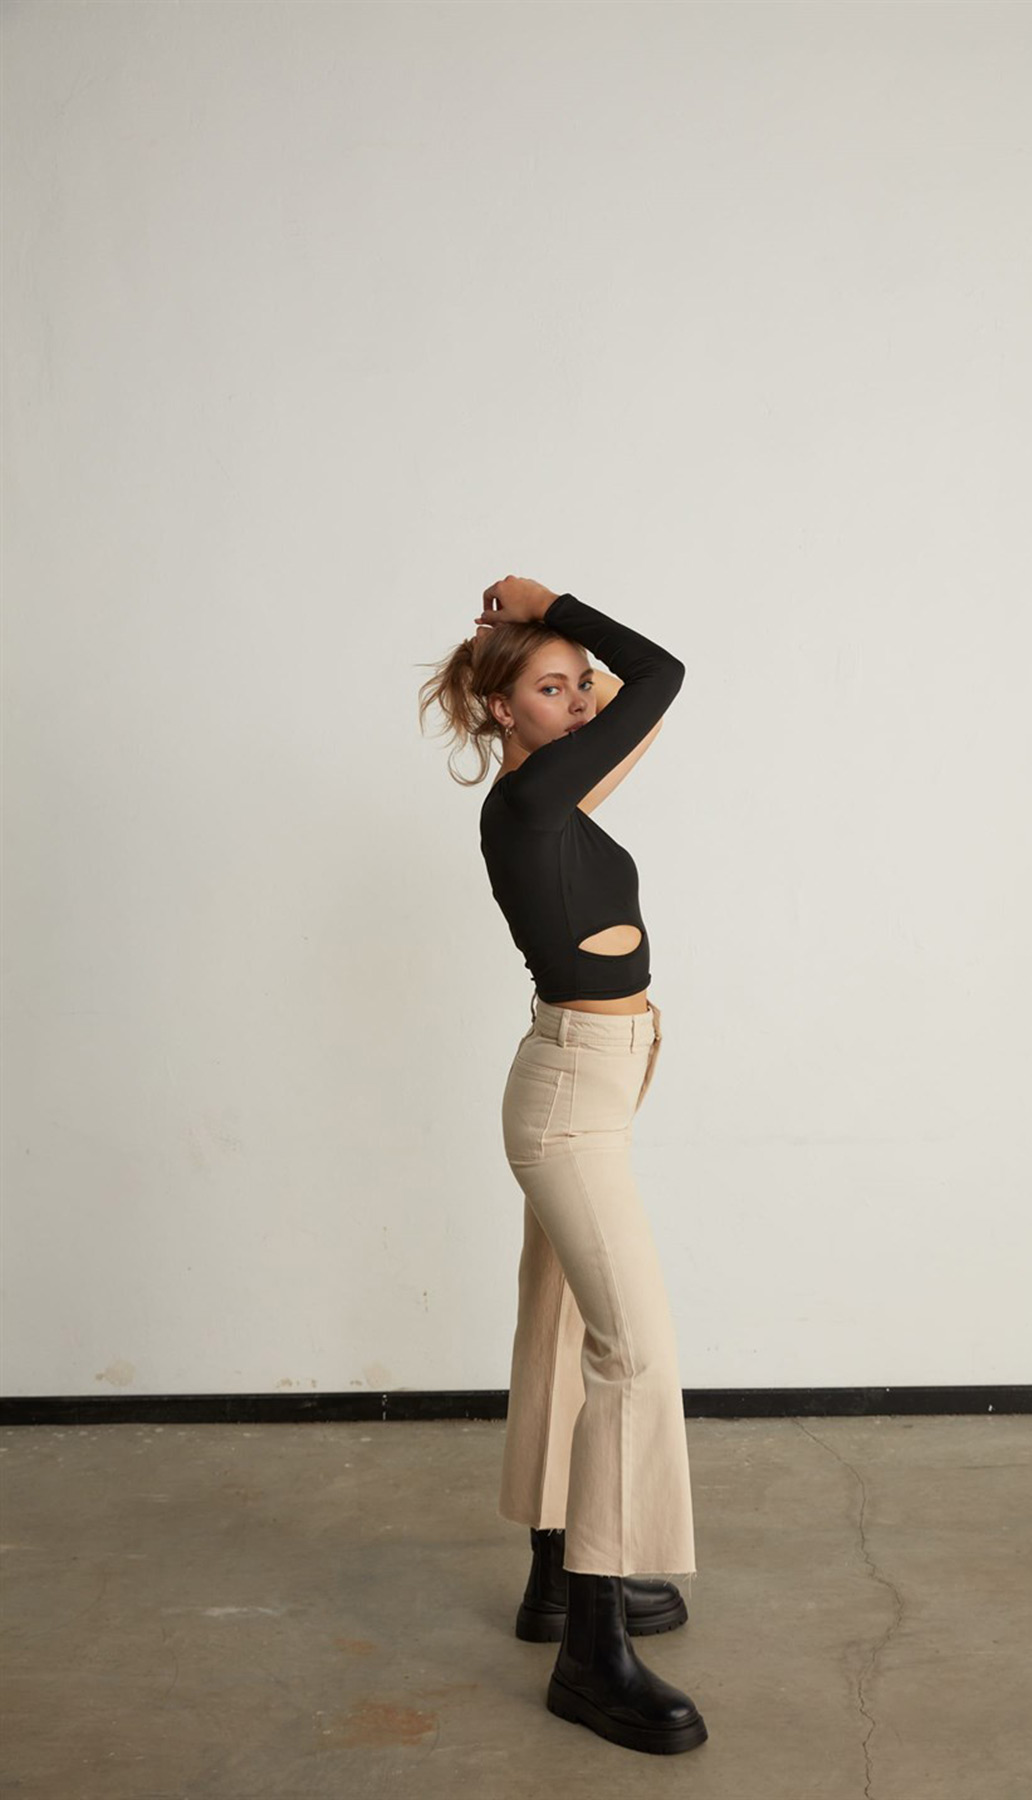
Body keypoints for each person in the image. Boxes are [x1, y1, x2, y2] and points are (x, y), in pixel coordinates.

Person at [418, 574, 707, 1755]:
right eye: (552, 688)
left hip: (588, 1083)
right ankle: (593, 1653)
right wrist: (555, 601)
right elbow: (664, 677)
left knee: (559, 1325)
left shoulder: (555, 791)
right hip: (570, 1103)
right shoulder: (533, 801)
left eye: (584, 686)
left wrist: (565, 653)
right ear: (501, 712)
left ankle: (556, 1574)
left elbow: (641, 699)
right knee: (633, 1352)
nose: (583, 701)